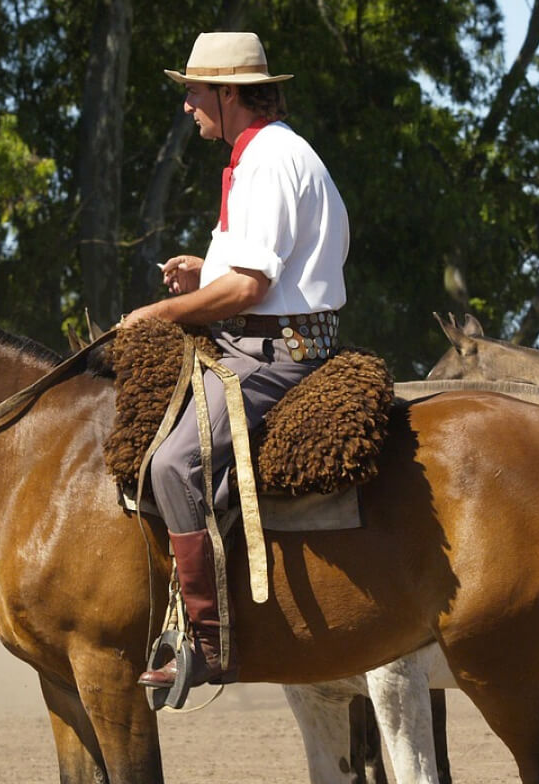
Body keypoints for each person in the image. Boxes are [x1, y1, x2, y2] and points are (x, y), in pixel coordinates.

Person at [125, 31, 349, 690]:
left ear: (230, 94)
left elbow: (251, 289)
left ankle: (208, 642)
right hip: (261, 340)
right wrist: (206, 269)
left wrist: (154, 316)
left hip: (276, 357)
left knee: (173, 463)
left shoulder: (269, 162)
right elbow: (256, 269)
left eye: (194, 92)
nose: (187, 105)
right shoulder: (265, 154)